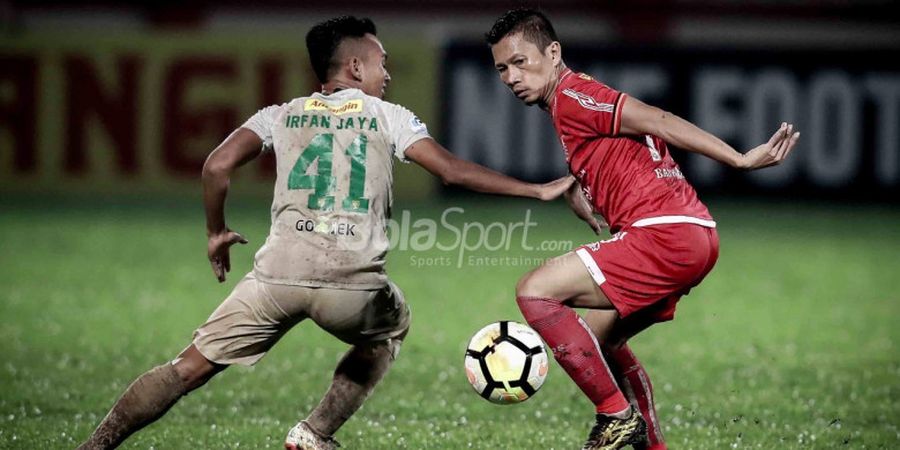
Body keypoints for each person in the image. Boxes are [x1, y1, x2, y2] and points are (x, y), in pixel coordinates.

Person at [77, 16, 573, 450]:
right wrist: (536, 191)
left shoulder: (278, 114)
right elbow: (450, 171)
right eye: (381, 62)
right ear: (356, 68)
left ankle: (95, 445)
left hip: (276, 279)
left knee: (185, 369)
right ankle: (315, 431)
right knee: (392, 325)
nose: (388, 73)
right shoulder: (389, 116)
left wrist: (215, 232)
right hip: (352, 287)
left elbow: (216, 166)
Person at [486, 8, 799, 450]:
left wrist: (739, 159)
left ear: (553, 53)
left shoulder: (573, 95)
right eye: (502, 68)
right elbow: (614, 145)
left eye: (520, 61)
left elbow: (657, 119)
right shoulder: (573, 99)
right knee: (596, 339)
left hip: (663, 234)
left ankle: (615, 416)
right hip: (694, 234)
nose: (511, 76)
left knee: (534, 291)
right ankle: (651, 445)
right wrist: (582, 183)